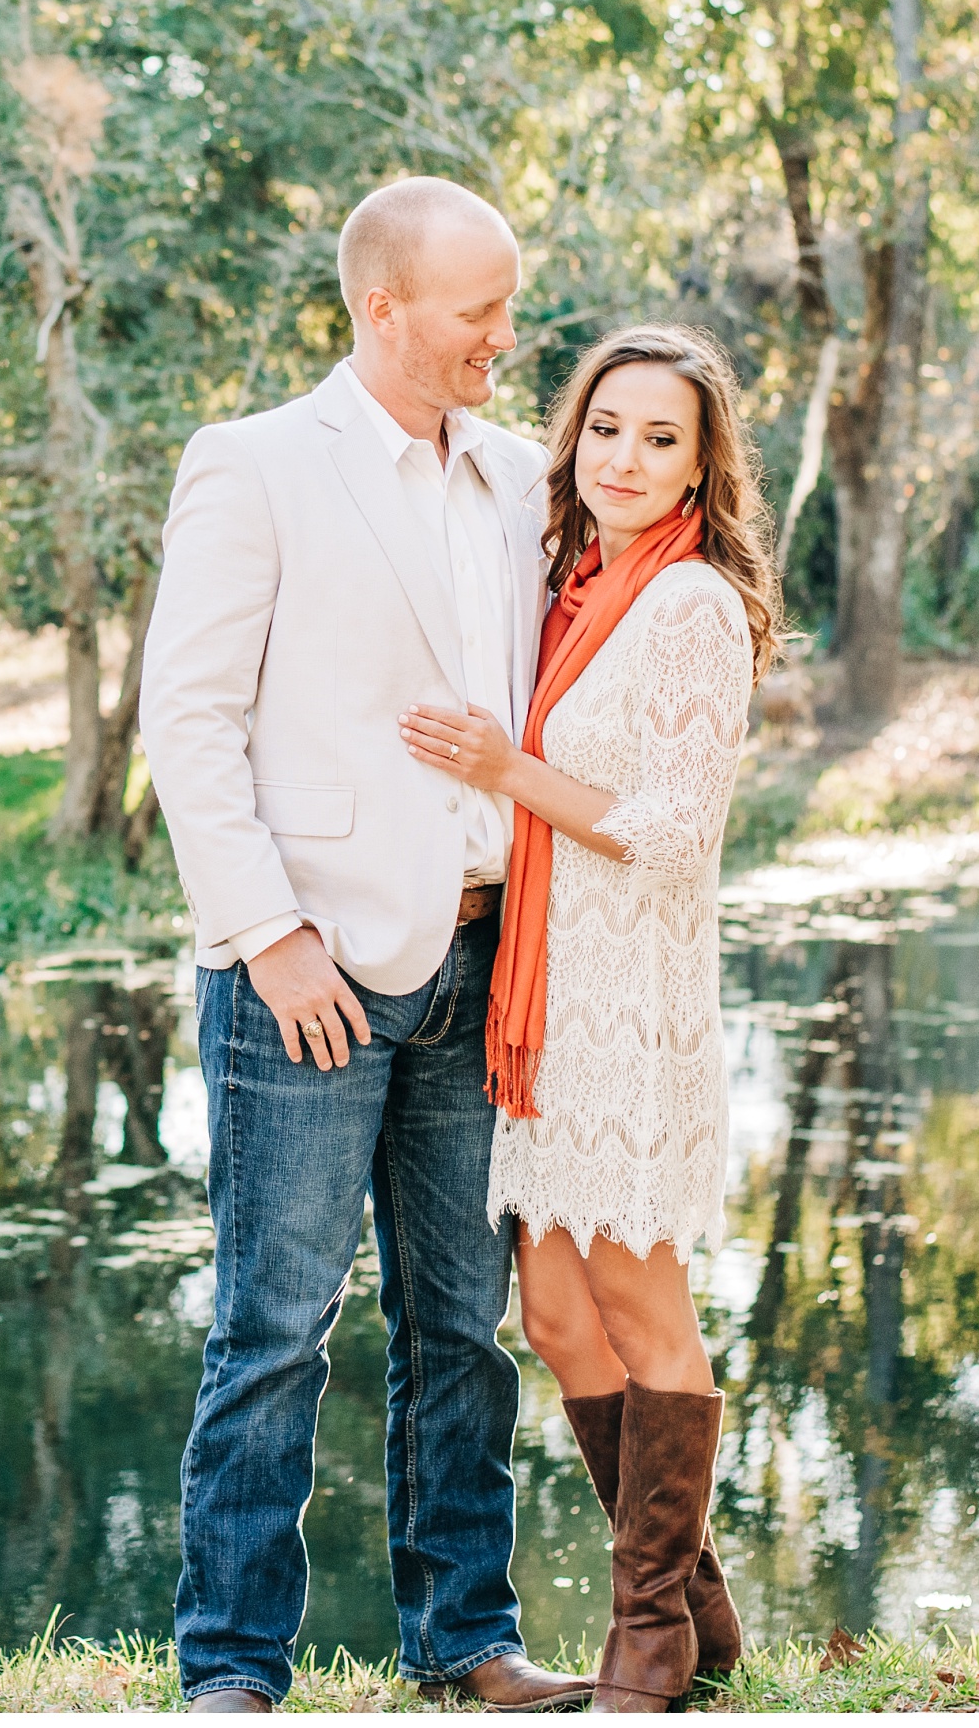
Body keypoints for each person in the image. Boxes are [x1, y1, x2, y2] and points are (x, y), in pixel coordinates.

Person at [140, 176, 589, 1716]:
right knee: (274, 1324)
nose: (507, 338)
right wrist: (267, 937)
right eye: (482, 311)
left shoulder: (530, 480)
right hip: (307, 974)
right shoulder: (255, 465)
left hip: (482, 967)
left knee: (462, 1325)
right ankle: (232, 1666)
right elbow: (187, 723)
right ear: (383, 308)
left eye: (510, 306)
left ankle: (468, 1636)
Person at [396, 323, 782, 1714]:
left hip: (631, 1003)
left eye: (660, 436)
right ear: (576, 437)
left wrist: (508, 770)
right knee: (558, 1314)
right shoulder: (576, 585)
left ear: (699, 464)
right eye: (606, 427)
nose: (625, 456)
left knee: (638, 1297)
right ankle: (702, 1606)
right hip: (548, 994)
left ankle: (650, 1639)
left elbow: (678, 833)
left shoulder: (689, 604)